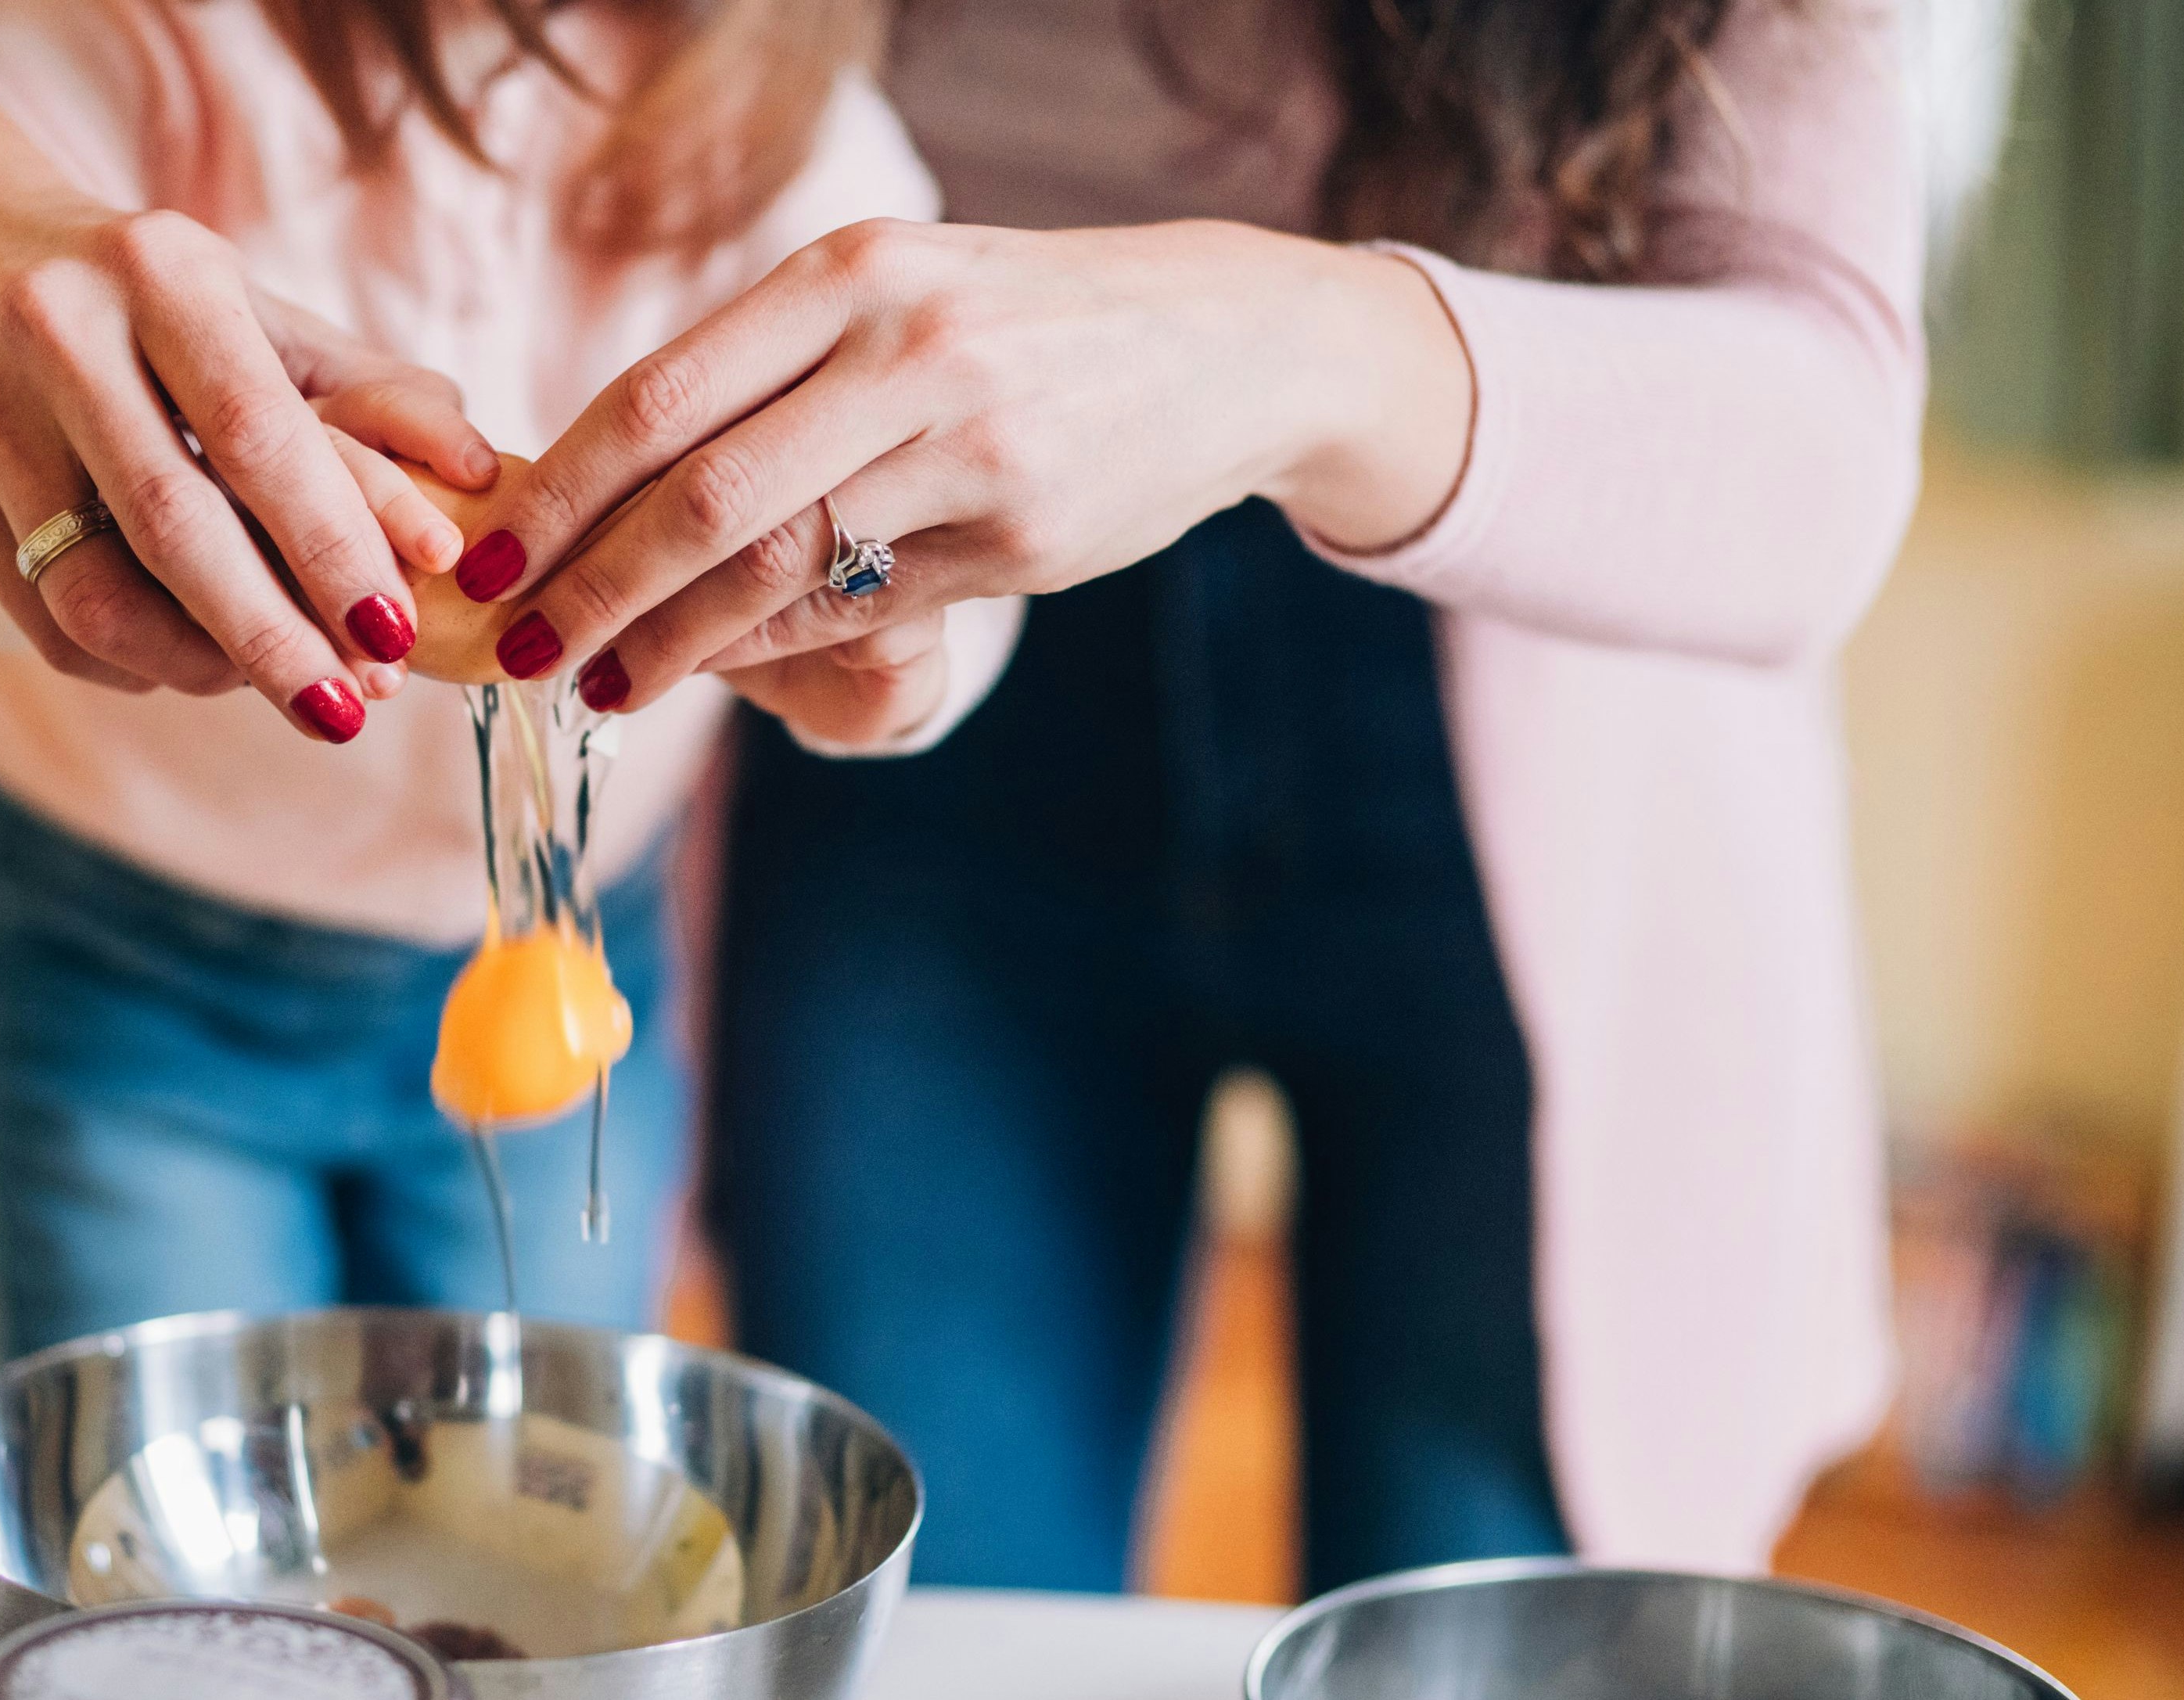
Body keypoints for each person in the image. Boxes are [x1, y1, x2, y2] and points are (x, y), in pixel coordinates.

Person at [464, 0, 1920, 1592]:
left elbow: (1826, 436)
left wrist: (1291, 344)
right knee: (933, 1620)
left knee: (1487, 1627)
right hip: (938, 706)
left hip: (1546, 729)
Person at [0, 0, 1020, 1357]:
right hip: (134, 979)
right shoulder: (135, 43)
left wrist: (902, 655)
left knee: (539, 1492)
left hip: (569, 969)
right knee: (160, 1537)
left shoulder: (787, 128)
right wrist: (106, 527)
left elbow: (953, 500)